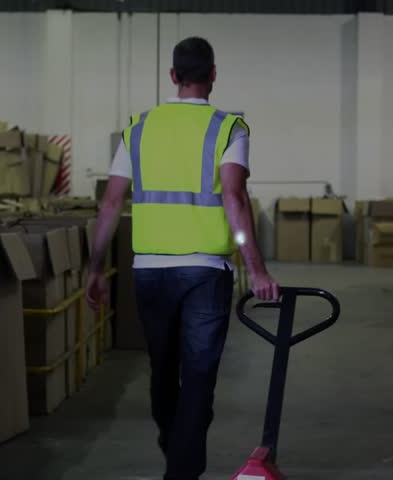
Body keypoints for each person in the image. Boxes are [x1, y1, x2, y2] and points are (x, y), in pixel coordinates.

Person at [85, 36, 279, 480]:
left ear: (173, 76)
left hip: (149, 272)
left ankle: (177, 453)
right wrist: (257, 269)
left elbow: (111, 202)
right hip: (205, 273)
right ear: (213, 75)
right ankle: (181, 463)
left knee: (163, 369)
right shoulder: (229, 128)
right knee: (198, 378)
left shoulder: (137, 128)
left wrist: (95, 269)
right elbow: (234, 197)